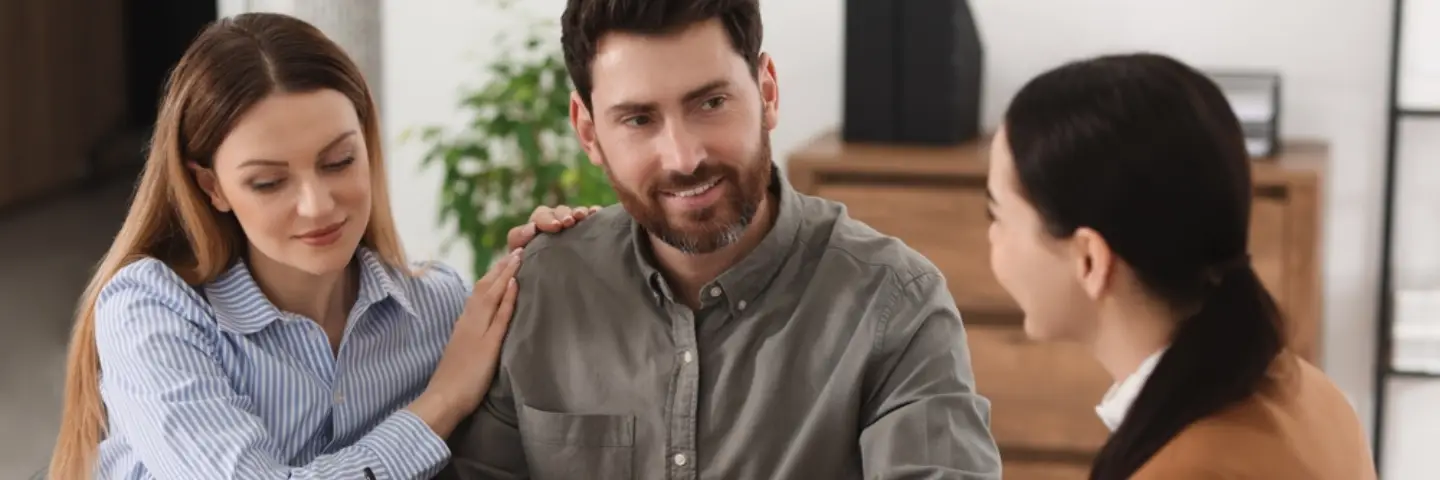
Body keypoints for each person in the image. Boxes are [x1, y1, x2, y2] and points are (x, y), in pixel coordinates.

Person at [439, 0, 1003, 478]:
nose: (684, 157)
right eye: (638, 119)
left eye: (710, 103)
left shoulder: (894, 303)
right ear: (588, 132)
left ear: (767, 91)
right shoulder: (538, 291)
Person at [45, 12, 592, 480]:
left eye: (338, 162)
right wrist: (439, 404)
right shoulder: (153, 310)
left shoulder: (438, 306)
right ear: (212, 186)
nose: (318, 206)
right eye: (269, 181)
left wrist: (560, 255)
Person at [985, 52, 1376, 479]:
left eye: (998, 215)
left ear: (1090, 260)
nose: (991, 237)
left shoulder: (1186, 465)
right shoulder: (1311, 392)